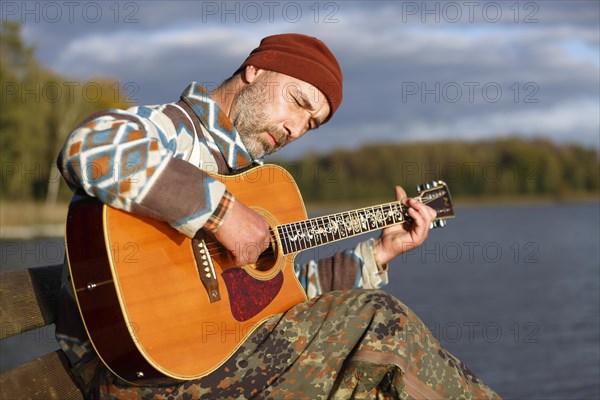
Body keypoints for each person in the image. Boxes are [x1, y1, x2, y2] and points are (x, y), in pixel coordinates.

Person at [56, 33, 500, 399]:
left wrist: (379, 253)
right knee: (380, 321)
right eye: (298, 102)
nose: (296, 129)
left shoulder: (257, 180)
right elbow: (89, 147)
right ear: (255, 70)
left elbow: (281, 305)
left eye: (312, 124)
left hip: (216, 362)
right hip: (133, 375)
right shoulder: (178, 130)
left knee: (374, 372)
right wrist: (222, 213)